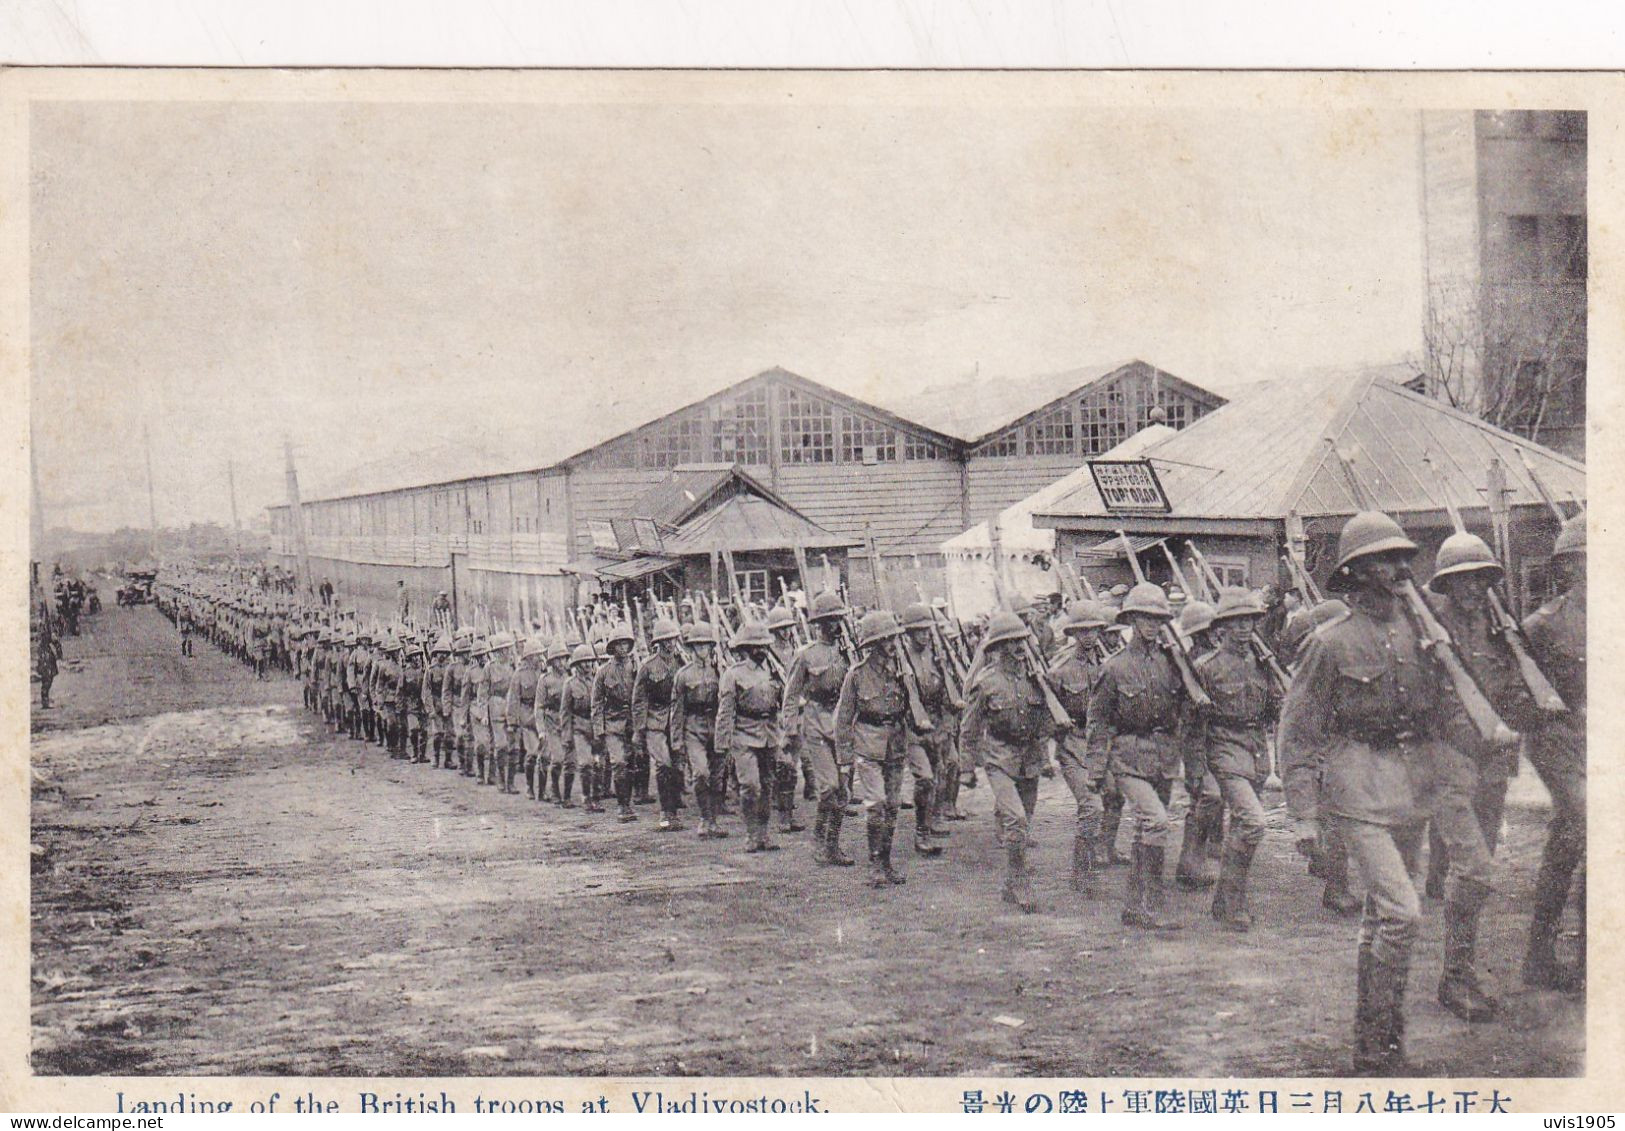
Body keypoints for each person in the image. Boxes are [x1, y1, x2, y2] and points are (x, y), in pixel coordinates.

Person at [1280, 510, 1504, 1075]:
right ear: (1356, 572)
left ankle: (1376, 1044)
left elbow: (1442, 709)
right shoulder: (1329, 644)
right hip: (1356, 787)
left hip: (1413, 782)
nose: (1399, 567)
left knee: (1383, 918)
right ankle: (1380, 1041)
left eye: (1404, 557)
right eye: (1384, 559)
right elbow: (1298, 733)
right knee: (1403, 914)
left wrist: (1486, 740)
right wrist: (1303, 816)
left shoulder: (1421, 633)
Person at [1421, 532, 1541, 898]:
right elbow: (1432, 692)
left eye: (1480, 578)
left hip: (1498, 740)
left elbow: (1518, 677)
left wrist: (1522, 713)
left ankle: (1475, 881)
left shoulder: (1499, 625)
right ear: (1447, 583)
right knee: (1453, 813)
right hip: (1452, 739)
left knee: (1489, 811)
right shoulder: (1433, 627)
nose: (1473, 587)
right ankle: (1441, 875)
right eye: (1463, 579)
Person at [1086, 582, 1188, 931]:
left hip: (1163, 757)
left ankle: (1135, 906)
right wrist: (1097, 771)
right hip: (1128, 757)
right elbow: (1098, 722)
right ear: (1131, 619)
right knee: (1156, 822)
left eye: (1157, 618)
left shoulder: (1172, 663)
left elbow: (1185, 709)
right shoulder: (1114, 668)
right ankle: (1152, 903)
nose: (1150, 624)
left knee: (1147, 830)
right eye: (1143, 617)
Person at [1520, 511, 1586, 993]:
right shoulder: (1541, 626)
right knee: (1587, 825)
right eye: (1582, 562)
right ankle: (1553, 956)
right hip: (1558, 741)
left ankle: (1569, 956)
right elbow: (1525, 698)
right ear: (1568, 568)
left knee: (1568, 844)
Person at [961, 610, 1063, 912]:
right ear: (998, 647)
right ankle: (1019, 882)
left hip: (1029, 758)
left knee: (1024, 823)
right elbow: (969, 728)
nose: (1019, 646)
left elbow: (1045, 721)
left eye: (1022, 640)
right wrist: (967, 767)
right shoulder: (986, 683)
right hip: (999, 758)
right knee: (1015, 820)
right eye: (1011, 641)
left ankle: (1011, 879)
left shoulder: (1036, 680)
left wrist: (1045, 757)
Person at [1194, 589, 1281, 931]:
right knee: (1254, 822)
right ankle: (1232, 902)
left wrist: (1277, 680)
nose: (1245, 628)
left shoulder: (1261, 664)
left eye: (1250, 621)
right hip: (1223, 748)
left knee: (1243, 828)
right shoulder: (1206, 667)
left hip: (1256, 751)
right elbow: (1192, 725)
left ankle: (1226, 901)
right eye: (1237, 622)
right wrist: (1198, 769)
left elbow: (1274, 710)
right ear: (1222, 628)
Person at [836, 610, 917, 886]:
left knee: (893, 805)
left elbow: (913, 708)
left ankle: (886, 861)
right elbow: (843, 717)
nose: (892, 644)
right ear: (873, 644)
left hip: (895, 743)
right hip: (868, 745)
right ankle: (874, 864)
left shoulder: (902, 671)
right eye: (885, 639)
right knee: (876, 805)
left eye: (893, 638)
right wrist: (844, 758)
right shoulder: (856, 675)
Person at [1049, 600, 1112, 897]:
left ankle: (1102, 852)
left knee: (1111, 800)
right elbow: (1045, 714)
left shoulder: (1108, 665)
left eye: (1094, 630)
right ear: (1073, 634)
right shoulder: (1060, 671)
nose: (1089, 636)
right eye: (1083, 631)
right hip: (1074, 746)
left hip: (1103, 746)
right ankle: (1081, 874)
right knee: (1090, 807)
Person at [782, 593, 850, 856]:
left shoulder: (849, 653)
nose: (836, 626)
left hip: (843, 724)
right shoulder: (806, 656)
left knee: (843, 789)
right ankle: (821, 839)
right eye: (830, 621)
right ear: (819, 624)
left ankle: (831, 843)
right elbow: (790, 696)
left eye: (838, 620)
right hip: (817, 724)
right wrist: (789, 729)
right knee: (829, 786)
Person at [716, 620, 785, 853]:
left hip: (769, 733)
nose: (762, 651)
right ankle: (751, 833)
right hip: (744, 735)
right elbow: (725, 711)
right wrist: (722, 743)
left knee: (767, 785)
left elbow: (784, 701)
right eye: (757, 647)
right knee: (750, 786)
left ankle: (764, 833)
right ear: (745, 648)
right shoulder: (732, 674)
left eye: (765, 646)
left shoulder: (775, 670)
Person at [900, 603, 956, 856]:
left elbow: (946, 689)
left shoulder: (937, 655)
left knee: (938, 774)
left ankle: (931, 820)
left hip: (935, 723)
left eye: (926, 631)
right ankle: (921, 833)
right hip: (911, 727)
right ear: (909, 633)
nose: (924, 635)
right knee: (924, 777)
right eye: (918, 631)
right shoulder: (900, 658)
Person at [671, 621, 726, 839]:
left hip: (716, 726)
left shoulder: (720, 671)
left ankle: (713, 819)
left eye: (706, 646)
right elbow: (677, 710)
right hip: (693, 728)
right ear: (691, 648)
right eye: (697, 646)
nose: (702, 650)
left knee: (717, 776)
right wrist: (676, 739)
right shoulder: (683, 675)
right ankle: (704, 818)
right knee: (701, 772)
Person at [632, 619, 685, 831]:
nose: (670, 644)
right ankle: (666, 813)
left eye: (673, 639)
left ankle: (674, 805)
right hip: (655, 720)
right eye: (666, 640)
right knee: (663, 764)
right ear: (658, 643)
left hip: (677, 719)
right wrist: (639, 729)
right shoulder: (648, 667)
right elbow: (639, 700)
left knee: (677, 764)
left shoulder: (682, 662)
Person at [592, 623, 640, 822]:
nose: (622, 648)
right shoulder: (603, 672)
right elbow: (596, 703)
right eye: (619, 644)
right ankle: (622, 806)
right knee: (618, 762)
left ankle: (627, 803)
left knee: (630, 764)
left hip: (632, 723)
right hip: (612, 724)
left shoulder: (636, 668)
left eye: (626, 644)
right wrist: (599, 730)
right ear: (612, 647)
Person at [561, 644, 601, 812]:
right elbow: (565, 712)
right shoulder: (570, 684)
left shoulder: (598, 680)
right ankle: (586, 798)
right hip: (579, 728)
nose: (587, 665)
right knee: (585, 764)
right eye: (583, 662)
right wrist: (567, 736)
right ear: (576, 665)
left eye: (589, 662)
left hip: (597, 728)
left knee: (599, 764)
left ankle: (596, 798)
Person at [35, 630, 60, 709]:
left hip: (47, 660)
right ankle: (45, 702)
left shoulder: (44, 647)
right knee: (46, 682)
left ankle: (45, 701)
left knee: (47, 682)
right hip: (46, 662)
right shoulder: (43, 648)